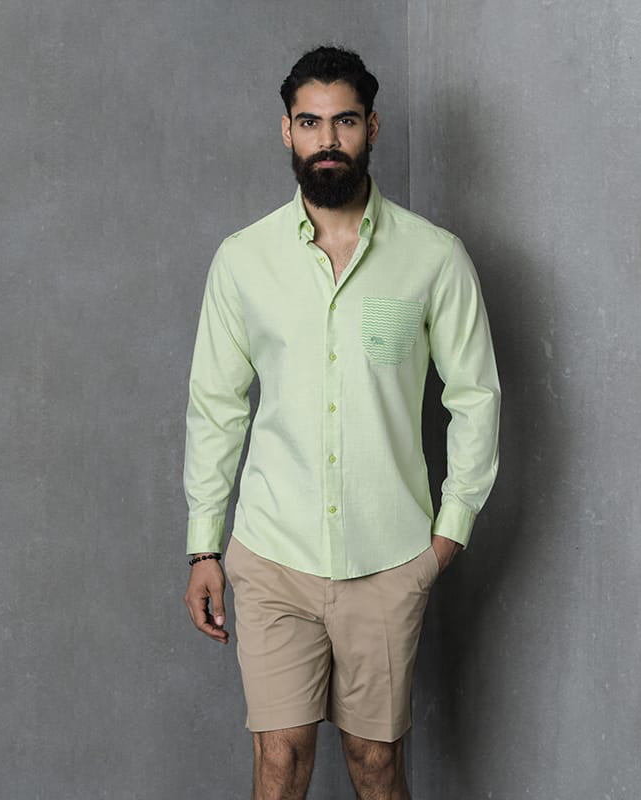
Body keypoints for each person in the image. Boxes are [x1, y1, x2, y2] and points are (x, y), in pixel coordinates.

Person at [182, 44, 501, 800]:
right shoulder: (242, 260)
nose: (327, 140)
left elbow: (476, 397)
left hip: (389, 558)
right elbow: (216, 407)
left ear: (372, 128)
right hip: (273, 553)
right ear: (286, 131)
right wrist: (204, 544)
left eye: (344, 121)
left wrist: (449, 533)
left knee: (376, 764)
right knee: (280, 761)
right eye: (310, 122)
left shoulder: (434, 258)